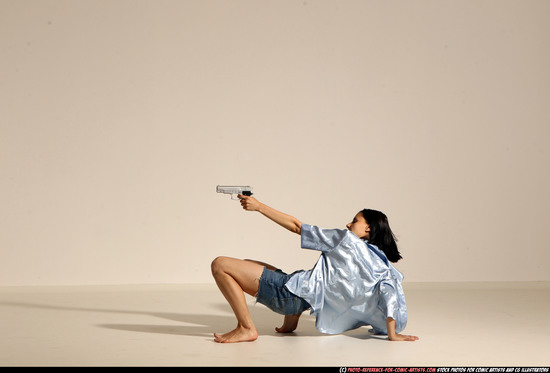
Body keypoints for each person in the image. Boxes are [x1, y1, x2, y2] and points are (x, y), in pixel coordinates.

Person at [211, 194, 419, 343]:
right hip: (298, 300)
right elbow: (388, 293)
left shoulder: (344, 240)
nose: (348, 224)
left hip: (287, 296)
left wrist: (259, 206)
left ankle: (246, 328)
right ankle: (289, 324)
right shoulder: (378, 259)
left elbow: (297, 226)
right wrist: (392, 332)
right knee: (251, 263)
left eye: (354, 221)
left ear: (368, 228)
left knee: (220, 264)